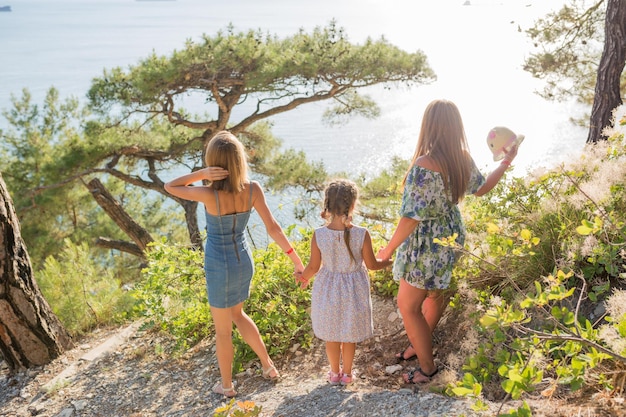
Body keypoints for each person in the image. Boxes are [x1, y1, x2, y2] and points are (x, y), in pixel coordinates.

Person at [377, 99, 519, 384]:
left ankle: (427, 369)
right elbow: (481, 188)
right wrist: (506, 161)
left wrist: (388, 249)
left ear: (428, 126)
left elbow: (411, 218)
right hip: (450, 235)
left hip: (426, 242)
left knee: (407, 306)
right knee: (435, 293)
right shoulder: (461, 157)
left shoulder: (424, 164)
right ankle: (420, 345)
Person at [164, 130, 304, 397]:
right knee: (238, 315)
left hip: (219, 265)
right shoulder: (252, 189)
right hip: (243, 261)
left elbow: (170, 186)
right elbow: (273, 228)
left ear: (214, 164)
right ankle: (268, 367)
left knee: (222, 331)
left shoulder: (207, 193)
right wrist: (296, 261)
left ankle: (227, 386)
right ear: (240, 160)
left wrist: (201, 174)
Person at [295, 179, 392, 386]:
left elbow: (313, 266)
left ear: (327, 204)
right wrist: (390, 261)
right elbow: (373, 265)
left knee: (332, 334)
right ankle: (347, 374)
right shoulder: (362, 233)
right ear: (353, 205)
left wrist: (303, 277)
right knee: (349, 335)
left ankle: (333, 373)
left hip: (328, 289)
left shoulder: (319, 234)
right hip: (353, 289)